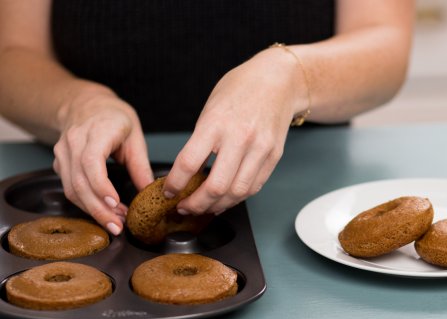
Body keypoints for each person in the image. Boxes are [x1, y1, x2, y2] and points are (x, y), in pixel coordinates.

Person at [0, 0, 414, 236]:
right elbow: (12, 54)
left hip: (308, 206)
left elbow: (387, 44)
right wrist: (79, 104)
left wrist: (288, 75)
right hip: (83, 190)